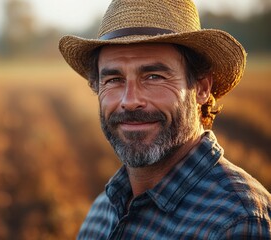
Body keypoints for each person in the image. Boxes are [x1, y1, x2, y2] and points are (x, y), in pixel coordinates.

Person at [59, 0, 271, 239]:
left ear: (201, 88)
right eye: (114, 79)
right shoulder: (101, 213)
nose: (130, 100)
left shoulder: (236, 222)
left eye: (153, 76)